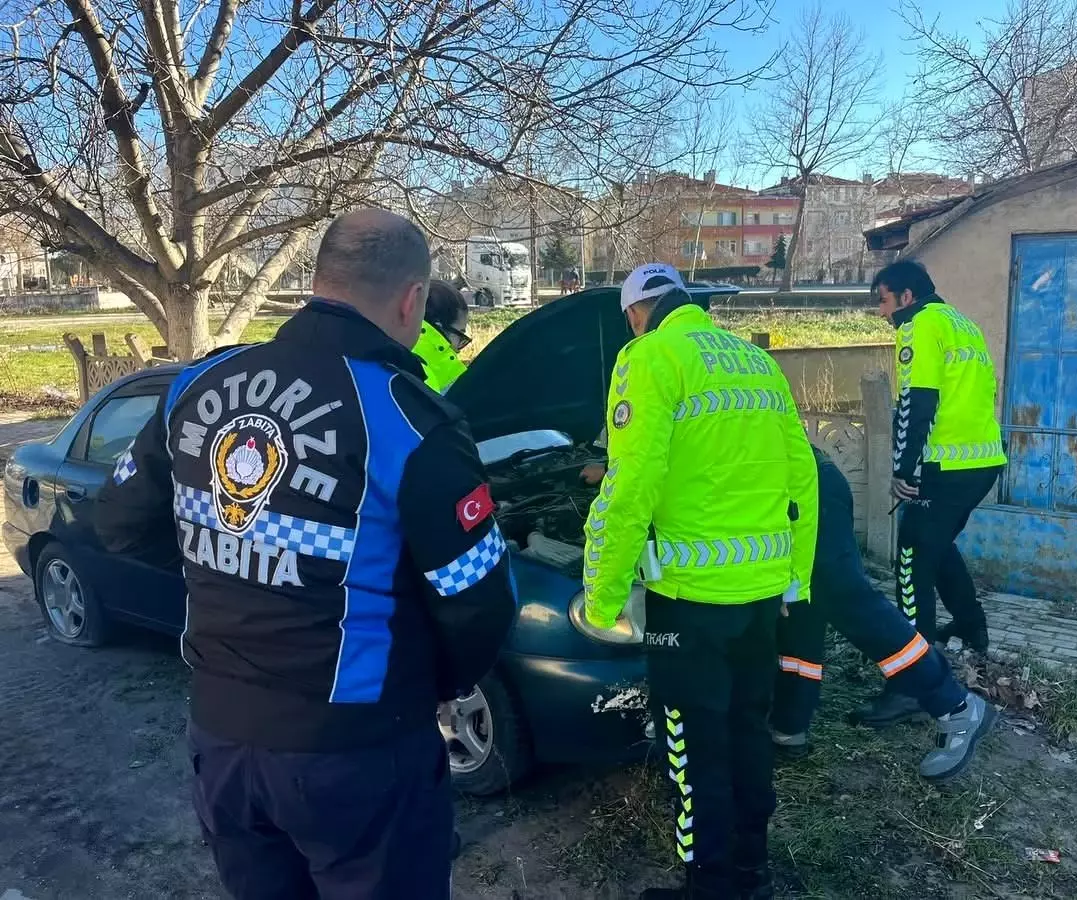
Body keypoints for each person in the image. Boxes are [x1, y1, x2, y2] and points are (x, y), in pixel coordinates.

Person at [93, 209, 517, 900]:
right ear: (412, 299)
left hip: (222, 739)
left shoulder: (197, 385)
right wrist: (428, 688)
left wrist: (230, 566)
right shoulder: (409, 417)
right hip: (361, 750)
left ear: (320, 281)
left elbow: (119, 522)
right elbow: (479, 599)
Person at [582, 263, 819, 900]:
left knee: (693, 749)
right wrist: (795, 581)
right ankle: (751, 873)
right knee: (748, 729)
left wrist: (603, 597)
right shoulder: (756, 362)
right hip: (761, 592)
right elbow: (802, 477)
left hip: (688, 602)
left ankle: (707, 886)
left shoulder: (648, 357)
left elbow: (629, 486)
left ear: (636, 313)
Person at [772, 447, 996, 779]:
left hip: (799, 492)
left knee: (846, 600)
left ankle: (956, 706)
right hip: (793, 486)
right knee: (799, 608)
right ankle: (788, 726)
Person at [869, 259, 1006, 723]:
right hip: (983, 461)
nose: (882, 313)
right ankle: (971, 627)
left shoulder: (919, 325)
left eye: (884, 301)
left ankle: (914, 682)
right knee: (938, 545)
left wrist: (902, 469)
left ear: (906, 297)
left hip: (945, 466)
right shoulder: (961, 323)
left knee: (911, 559)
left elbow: (917, 401)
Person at [413, 278, 471, 392]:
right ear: (439, 327)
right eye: (460, 335)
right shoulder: (433, 379)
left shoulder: (389, 359)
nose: (458, 350)